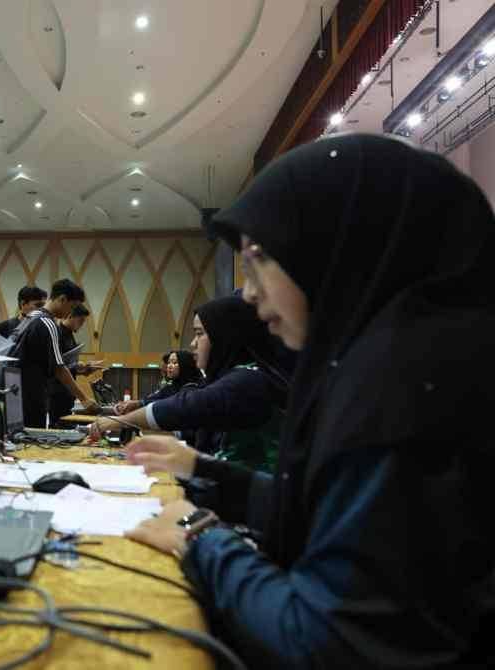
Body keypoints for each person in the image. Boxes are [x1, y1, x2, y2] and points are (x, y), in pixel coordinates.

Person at [125, 134, 495, 667]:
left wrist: (199, 540)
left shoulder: (402, 386)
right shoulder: (412, 357)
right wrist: (208, 474)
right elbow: (326, 515)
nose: (248, 293)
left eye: (257, 260)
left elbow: (329, 643)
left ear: (335, 248)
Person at [90, 295, 290, 473]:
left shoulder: (248, 378)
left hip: (253, 504)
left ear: (225, 336)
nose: (193, 343)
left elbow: (186, 407)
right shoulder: (238, 375)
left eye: (199, 333)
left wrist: (117, 421)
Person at [7, 279, 99, 427]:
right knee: (32, 441)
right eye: (73, 306)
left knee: (17, 439)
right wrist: (84, 399)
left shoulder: (30, 317)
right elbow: (59, 368)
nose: (71, 312)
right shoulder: (48, 323)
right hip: (31, 395)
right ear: (62, 299)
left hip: (12, 392)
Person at [46, 304, 100, 425]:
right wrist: (84, 398)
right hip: (56, 392)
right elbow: (56, 367)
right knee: (58, 427)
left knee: (67, 426)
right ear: (70, 316)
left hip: (68, 392)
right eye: (80, 321)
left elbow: (68, 364)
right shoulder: (57, 333)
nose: (81, 325)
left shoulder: (70, 334)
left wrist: (83, 369)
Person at [115, 349, 201, 415]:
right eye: (169, 362)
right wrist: (136, 403)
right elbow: (155, 398)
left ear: (185, 365)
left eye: (175, 363)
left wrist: (137, 405)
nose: (169, 366)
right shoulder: (171, 386)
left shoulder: (192, 388)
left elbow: (167, 405)